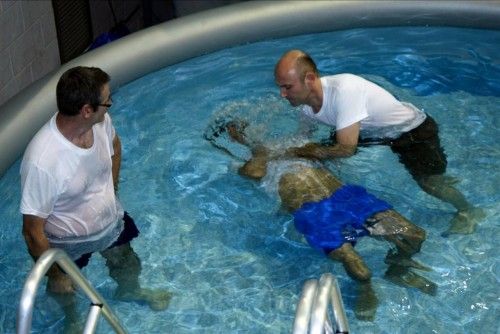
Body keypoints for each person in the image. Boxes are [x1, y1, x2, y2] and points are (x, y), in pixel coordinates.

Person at [205, 119, 437, 321]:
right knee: (359, 268)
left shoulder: (290, 144)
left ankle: (396, 269)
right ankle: (365, 290)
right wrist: (257, 147)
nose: (247, 132)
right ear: (231, 140)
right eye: (236, 132)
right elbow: (254, 170)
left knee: (414, 235)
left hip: (346, 197)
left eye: (245, 127)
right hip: (313, 212)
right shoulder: (243, 163)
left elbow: (326, 151)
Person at [20, 66, 170, 331]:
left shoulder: (100, 123)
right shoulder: (43, 161)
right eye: (106, 101)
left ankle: (130, 291)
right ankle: (73, 321)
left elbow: (115, 147)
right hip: (67, 243)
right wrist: (55, 273)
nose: (110, 105)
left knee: (128, 262)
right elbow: (32, 232)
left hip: (110, 223)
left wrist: (112, 188)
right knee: (64, 289)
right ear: (86, 110)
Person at [274, 49, 484, 236]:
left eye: (287, 87)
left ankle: (468, 210)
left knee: (429, 183)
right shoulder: (305, 106)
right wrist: (278, 152)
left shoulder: (345, 90)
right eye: (280, 87)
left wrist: (309, 151)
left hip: (413, 132)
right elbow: (302, 139)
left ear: (309, 79)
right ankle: (303, 204)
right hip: (373, 132)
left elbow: (346, 149)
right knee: (318, 158)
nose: (282, 94)